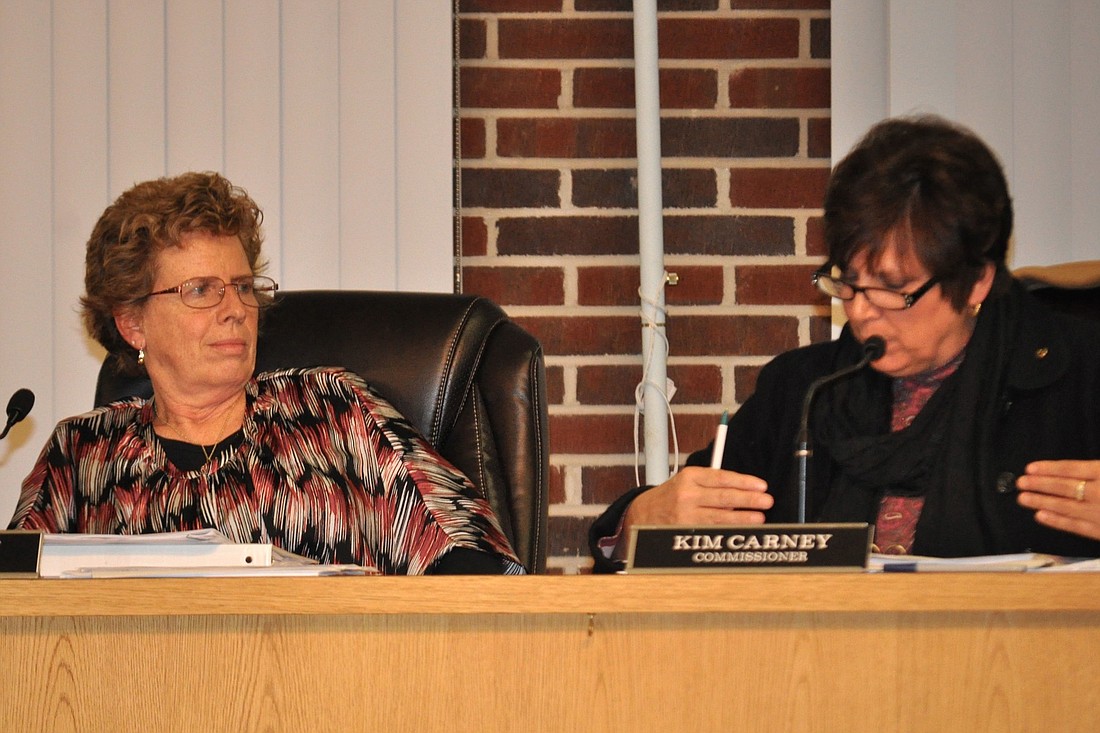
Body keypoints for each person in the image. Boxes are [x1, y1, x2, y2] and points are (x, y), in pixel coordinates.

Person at [589, 115, 1100, 572]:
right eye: (848, 283)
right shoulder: (804, 390)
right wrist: (640, 520)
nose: (857, 310)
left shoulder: (1080, 375)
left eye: (894, 289)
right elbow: (677, 518)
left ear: (978, 281)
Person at [9, 171, 523, 575]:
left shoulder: (333, 414)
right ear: (132, 323)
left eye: (241, 286)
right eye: (201, 290)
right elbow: (14, 604)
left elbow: (470, 554)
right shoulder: (81, 456)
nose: (235, 308)